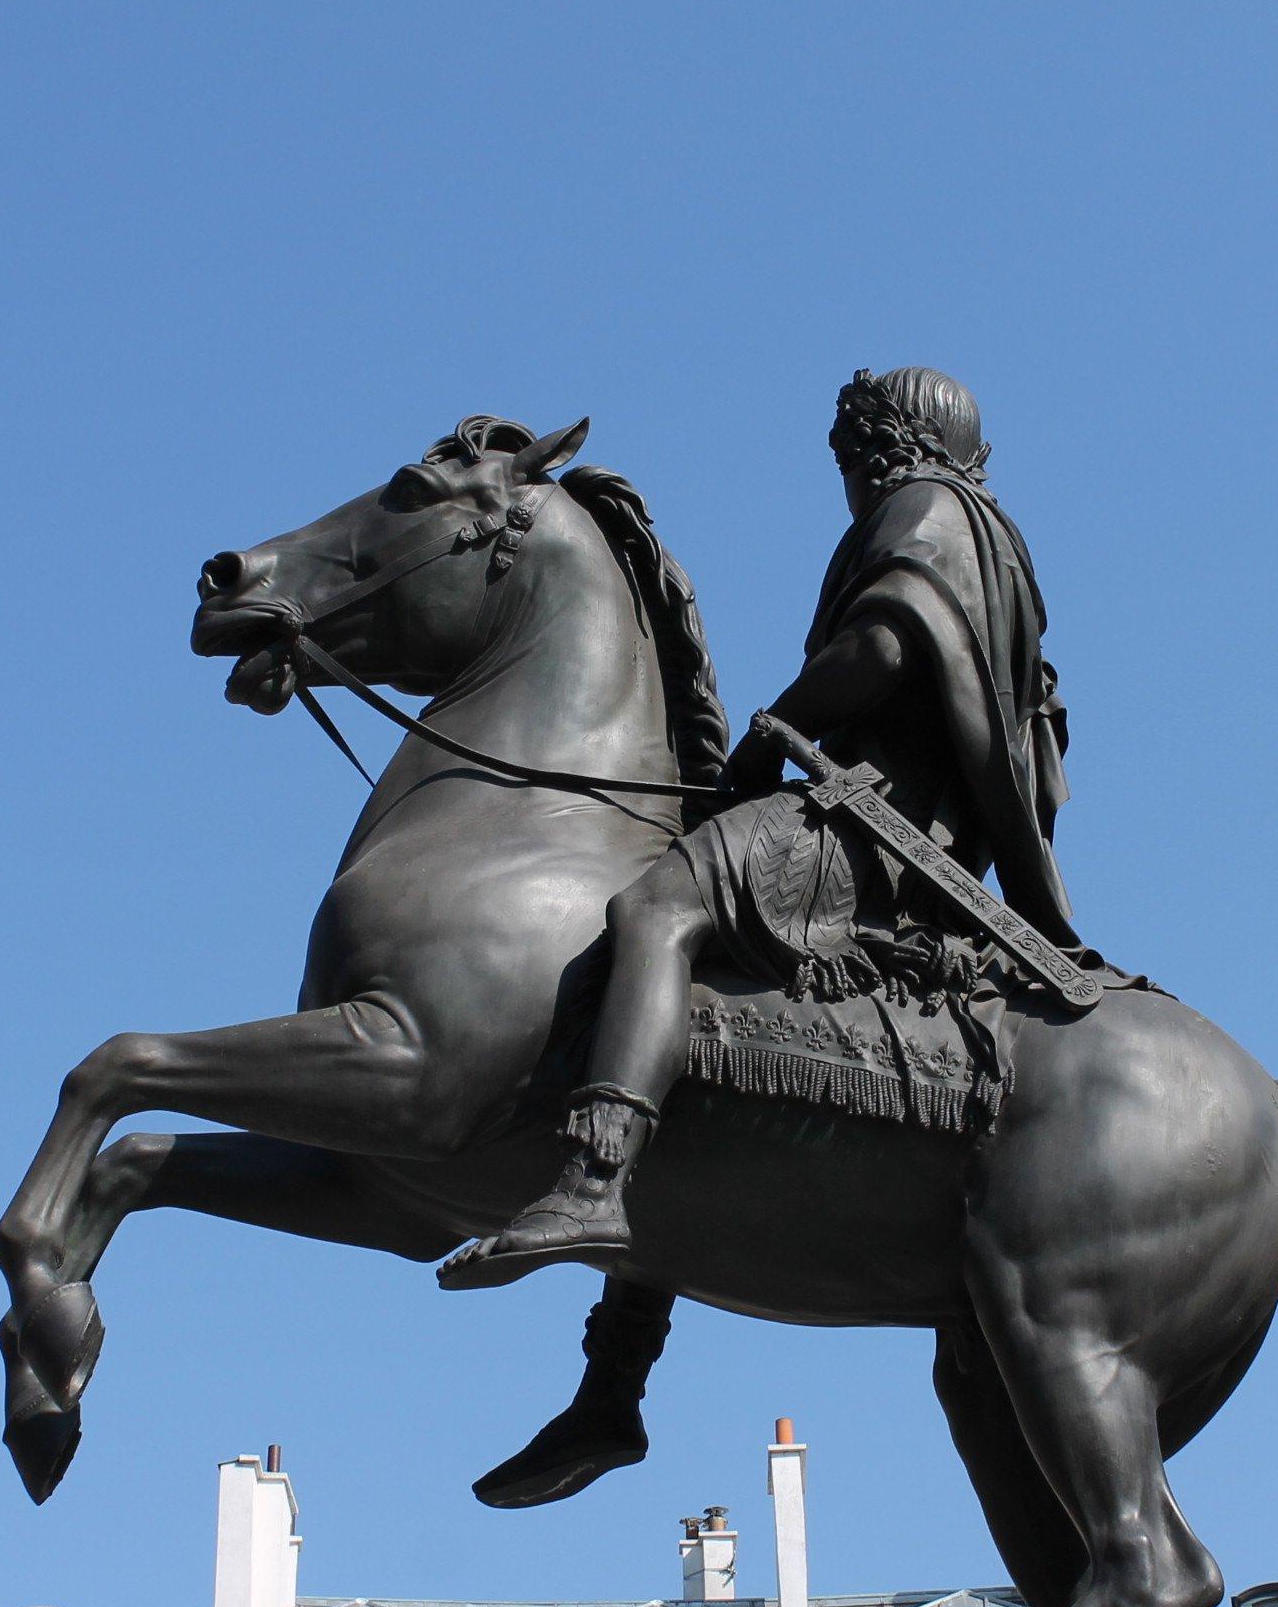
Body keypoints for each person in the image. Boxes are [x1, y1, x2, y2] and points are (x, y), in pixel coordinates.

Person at [453, 367, 1082, 1506]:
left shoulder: (923, 509)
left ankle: (593, 1177)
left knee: (654, 910)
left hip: (876, 828)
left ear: (887, 442)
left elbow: (885, 647)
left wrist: (765, 733)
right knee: (684, 1055)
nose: (845, 473)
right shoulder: (989, 532)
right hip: (897, 818)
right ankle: (610, 1393)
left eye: (850, 449)